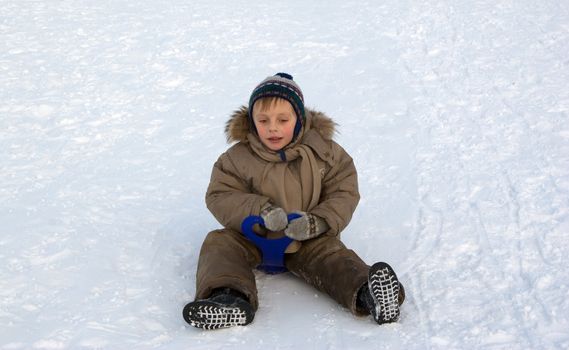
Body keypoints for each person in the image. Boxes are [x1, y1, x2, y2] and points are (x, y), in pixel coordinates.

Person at [182, 73, 405, 330]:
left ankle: (370, 293)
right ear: (252, 122)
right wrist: (260, 210)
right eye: (263, 120)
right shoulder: (237, 158)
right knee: (219, 243)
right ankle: (228, 298)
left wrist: (320, 221)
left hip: (305, 238)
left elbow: (344, 190)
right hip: (252, 235)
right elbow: (221, 194)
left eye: (282, 120)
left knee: (332, 257)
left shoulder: (325, 153)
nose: (272, 128)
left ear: (299, 119)